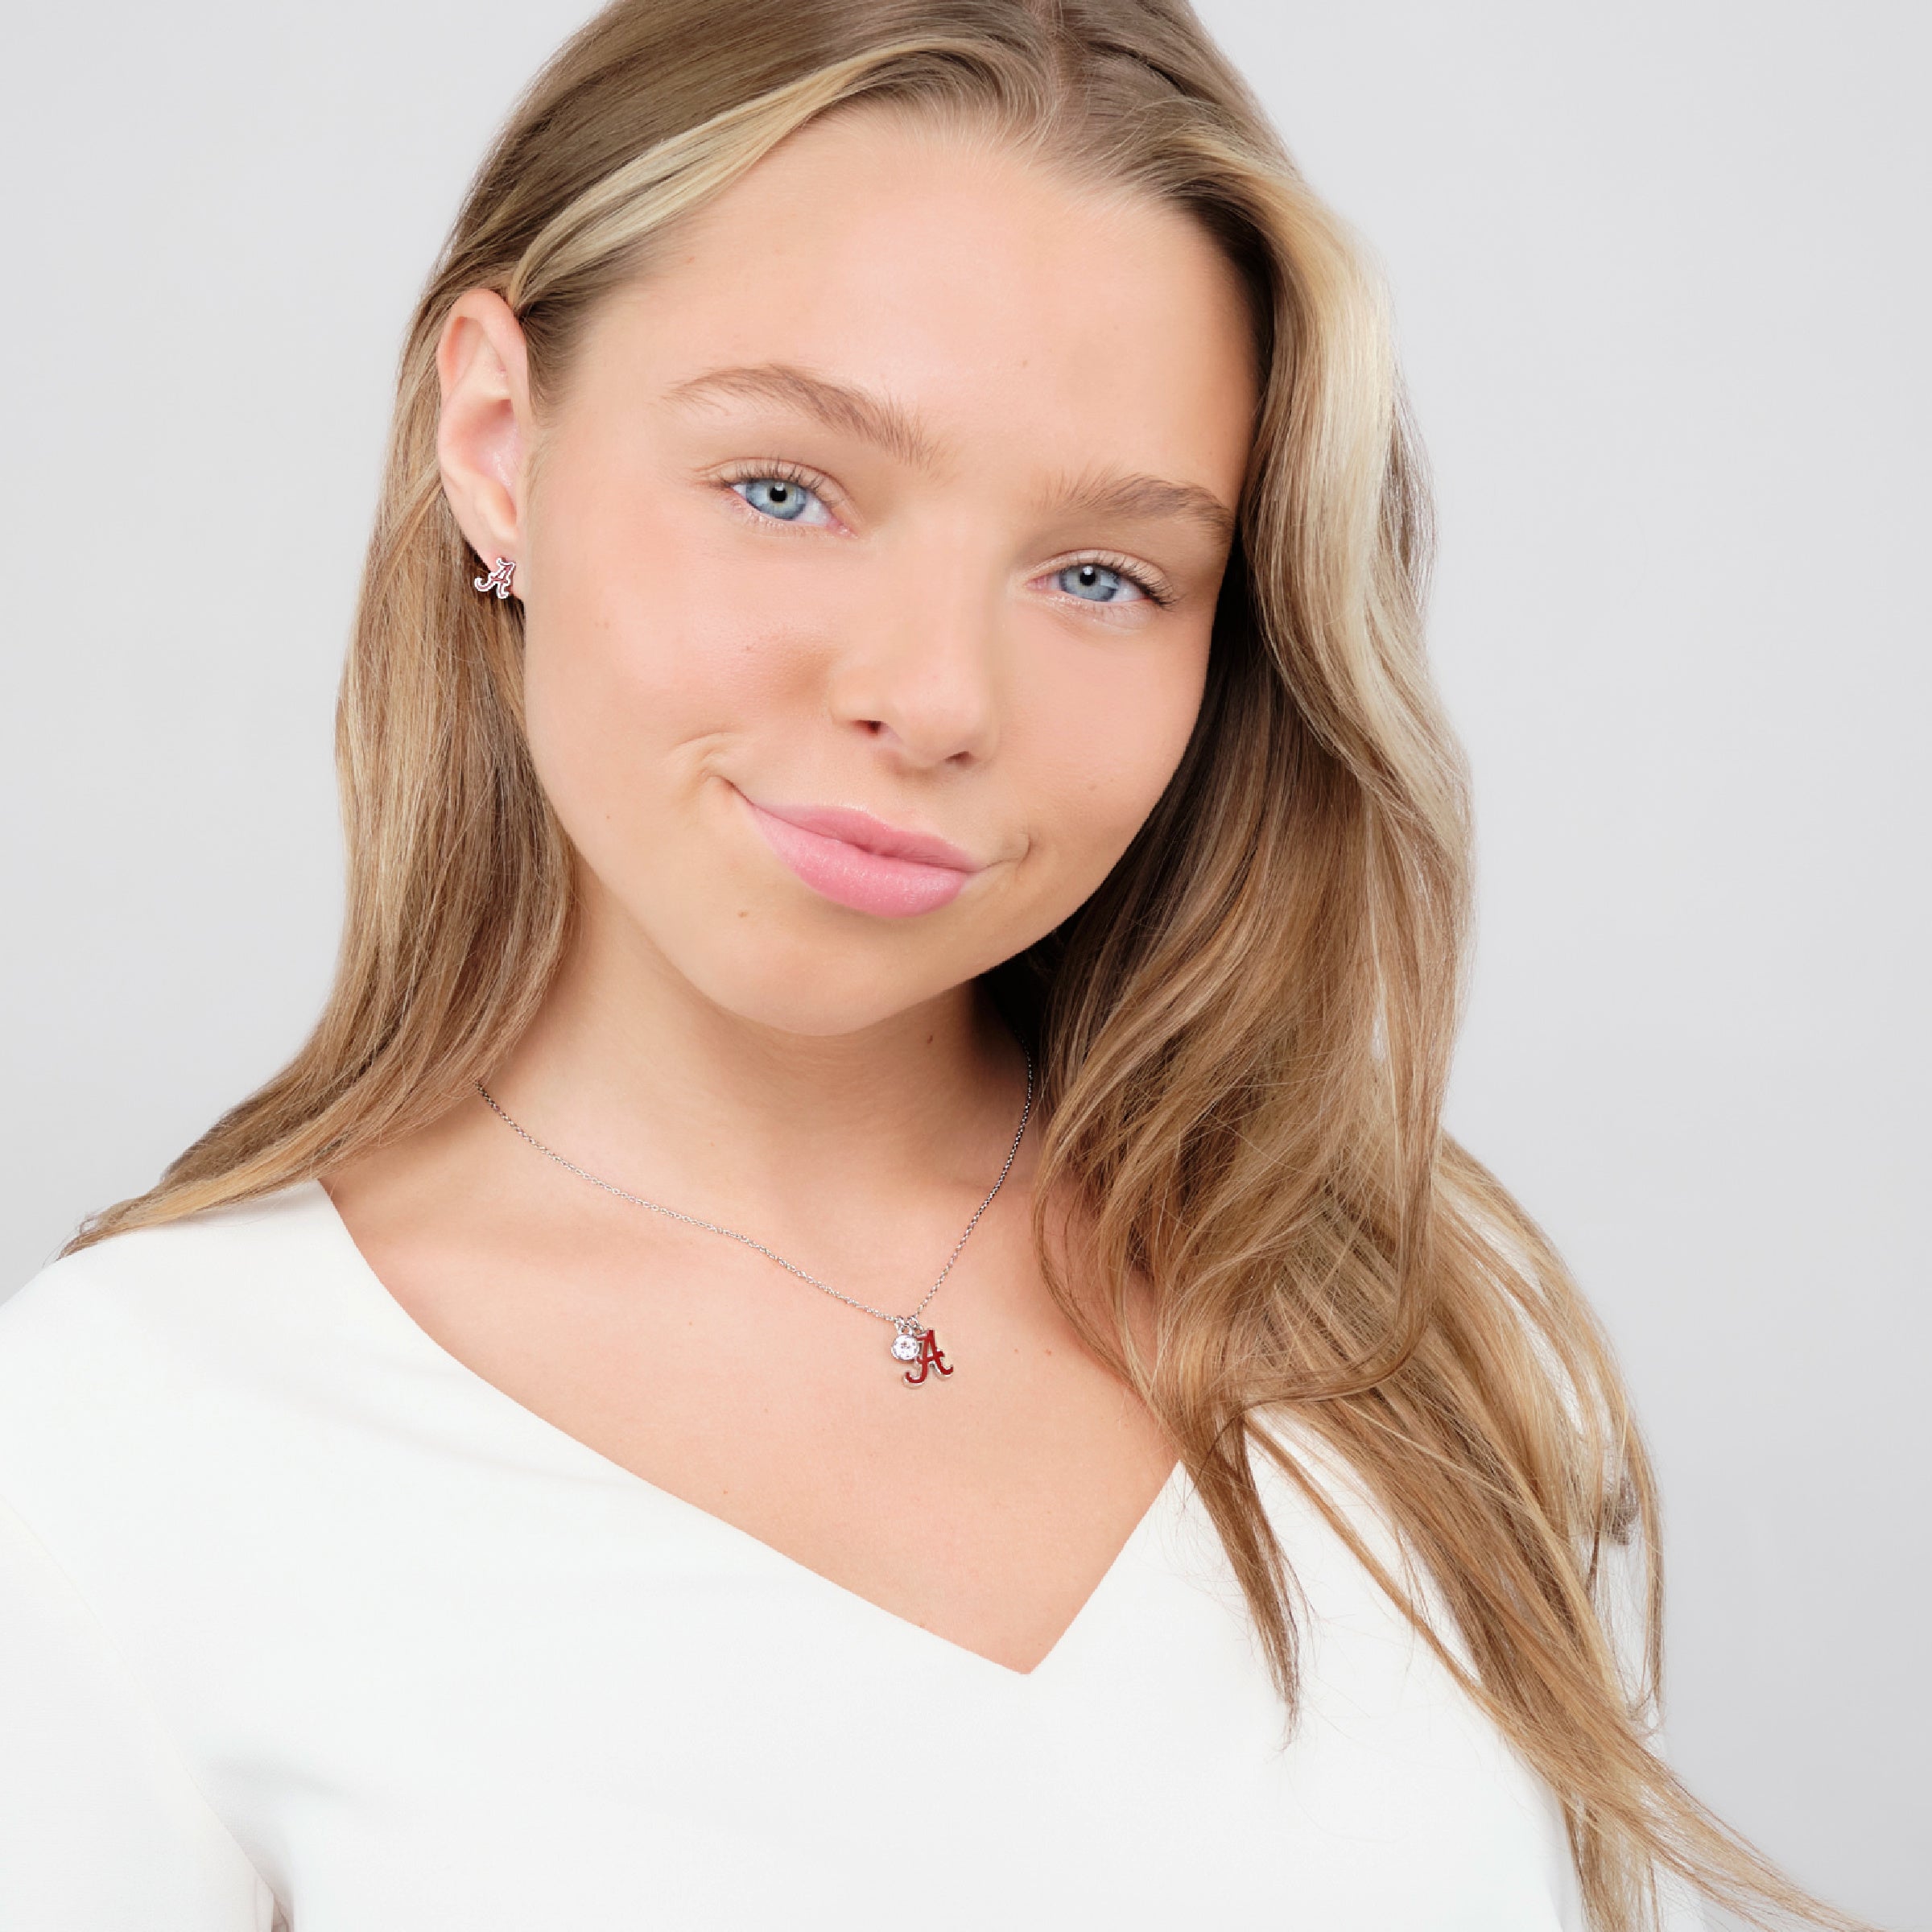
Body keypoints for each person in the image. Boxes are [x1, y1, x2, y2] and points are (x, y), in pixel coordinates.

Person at [0, 3, 1859, 1929]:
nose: (939, 696)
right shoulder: (114, 1461)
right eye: (785, 489)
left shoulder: (1421, 1342)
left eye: (1102, 576)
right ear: (496, 445)